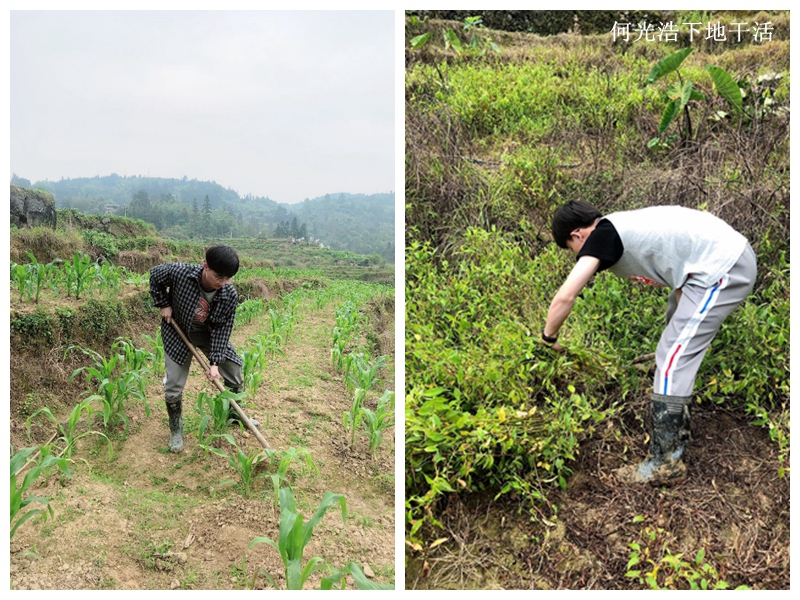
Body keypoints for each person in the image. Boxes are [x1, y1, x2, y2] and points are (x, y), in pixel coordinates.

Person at [543, 201, 756, 485]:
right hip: (712, 265)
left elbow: (565, 296)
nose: (576, 254)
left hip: (724, 267)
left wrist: (548, 338)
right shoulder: (616, 227)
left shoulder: (602, 235)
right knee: (675, 336)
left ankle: (665, 463)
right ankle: (669, 399)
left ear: (578, 234)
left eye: (571, 248)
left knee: (672, 359)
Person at [149, 245, 255, 453]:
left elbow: (222, 330)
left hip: (208, 334)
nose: (222, 283)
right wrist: (163, 303)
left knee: (234, 368)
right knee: (174, 382)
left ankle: (234, 415)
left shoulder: (228, 294)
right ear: (205, 266)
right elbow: (155, 275)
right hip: (177, 331)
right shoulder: (180, 273)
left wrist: (214, 363)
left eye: (228, 279)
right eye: (219, 277)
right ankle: (176, 430)